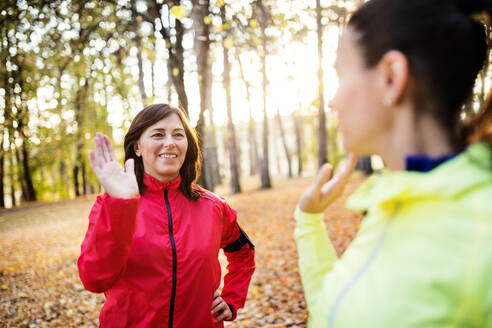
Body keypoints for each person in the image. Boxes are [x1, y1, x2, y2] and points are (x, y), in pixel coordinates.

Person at [294, 0, 492, 327]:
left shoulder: (482, 230)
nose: (333, 100)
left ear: (391, 76)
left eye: (341, 74)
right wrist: (310, 222)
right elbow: (340, 313)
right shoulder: (393, 199)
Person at [77, 104, 255, 328]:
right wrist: (121, 206)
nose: (169, 142)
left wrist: (231, 299)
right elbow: (94, 280)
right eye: (158, 134)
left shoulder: (214, 207)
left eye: (178, 135)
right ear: (138, 147)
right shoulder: (111, 206)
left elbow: (243, 252)